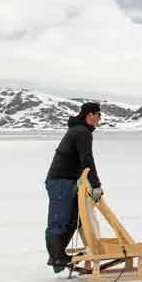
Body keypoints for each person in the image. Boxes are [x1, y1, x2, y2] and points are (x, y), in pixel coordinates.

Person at [44, 101, 104, 272]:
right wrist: (96, 185)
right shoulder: (81, 132)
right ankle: (56, 258)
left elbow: (83, 162)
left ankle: (59, 256)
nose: (99, 119)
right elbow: (87, 160)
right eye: (98, 115)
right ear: (90, 115)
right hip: (60, 181)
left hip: (70, 181)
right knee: (59, 219)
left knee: (74, 218)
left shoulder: (79, 131)